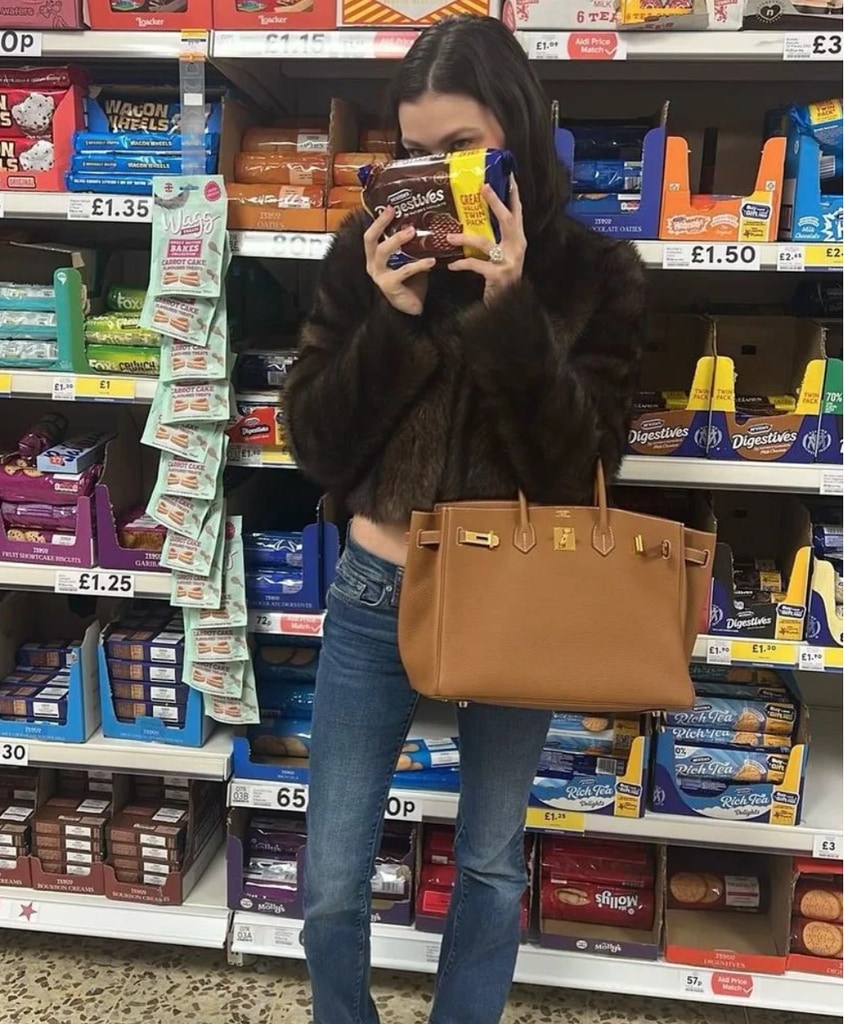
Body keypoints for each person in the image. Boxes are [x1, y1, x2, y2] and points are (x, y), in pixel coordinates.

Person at [284, 15, 646, 1024]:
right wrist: (387, 324)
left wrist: (510, 310)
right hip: (373, 589)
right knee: (330, 879)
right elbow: (312, 443)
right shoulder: (363, 255)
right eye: (410, 151)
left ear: (516, 129)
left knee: (488, 863)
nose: (431, 175)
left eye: (457, 150)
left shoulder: (590, 273)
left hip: (516, 592)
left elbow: (578, 476)